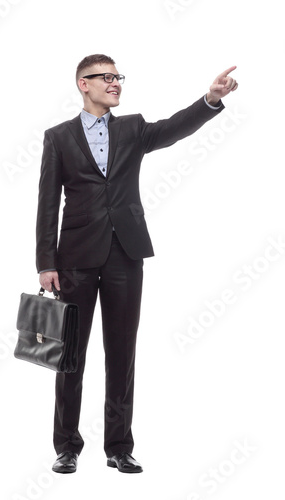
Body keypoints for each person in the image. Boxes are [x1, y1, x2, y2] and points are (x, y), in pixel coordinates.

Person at [36, 54, 238, 474]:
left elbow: (174, 129)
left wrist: (210, 100)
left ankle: (118, 447)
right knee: (68, 355)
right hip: (74, 259)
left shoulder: (132, 129)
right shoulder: (57, 137)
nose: (114, 82)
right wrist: (45, 262)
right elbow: (47, 205)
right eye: (105, 77)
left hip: (125, 255)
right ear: (83, 84)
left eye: (117, 76)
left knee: (122, 354)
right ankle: (67, 446)